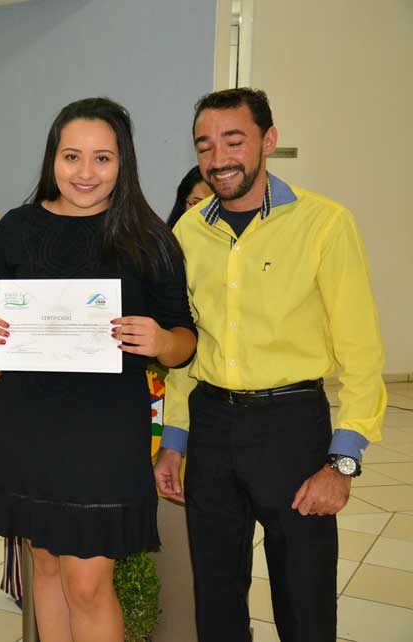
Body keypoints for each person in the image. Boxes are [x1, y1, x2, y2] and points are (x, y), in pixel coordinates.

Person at [154, 88, 387, 642]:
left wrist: (342, 463)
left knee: (304, 594)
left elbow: (361, 352)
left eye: (233, 140)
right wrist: (175, 439)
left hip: (291, 427)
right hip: (211, 425)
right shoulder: (188, 232)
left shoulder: (325, 224)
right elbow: (189, 347)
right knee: (215, 594)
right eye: (204, 145)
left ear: (269, 141)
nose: (218, 158)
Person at [0, 97, 197, 642]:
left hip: (105, 433)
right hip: (29, 424)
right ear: (53, 158)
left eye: (102, 158)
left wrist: (162, 340)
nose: (85, 172)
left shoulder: (149, 238)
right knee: (45, 567)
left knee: (89, 584)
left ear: (123, 162)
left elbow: (184, 342)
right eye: (72, 156)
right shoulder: (18, 228)